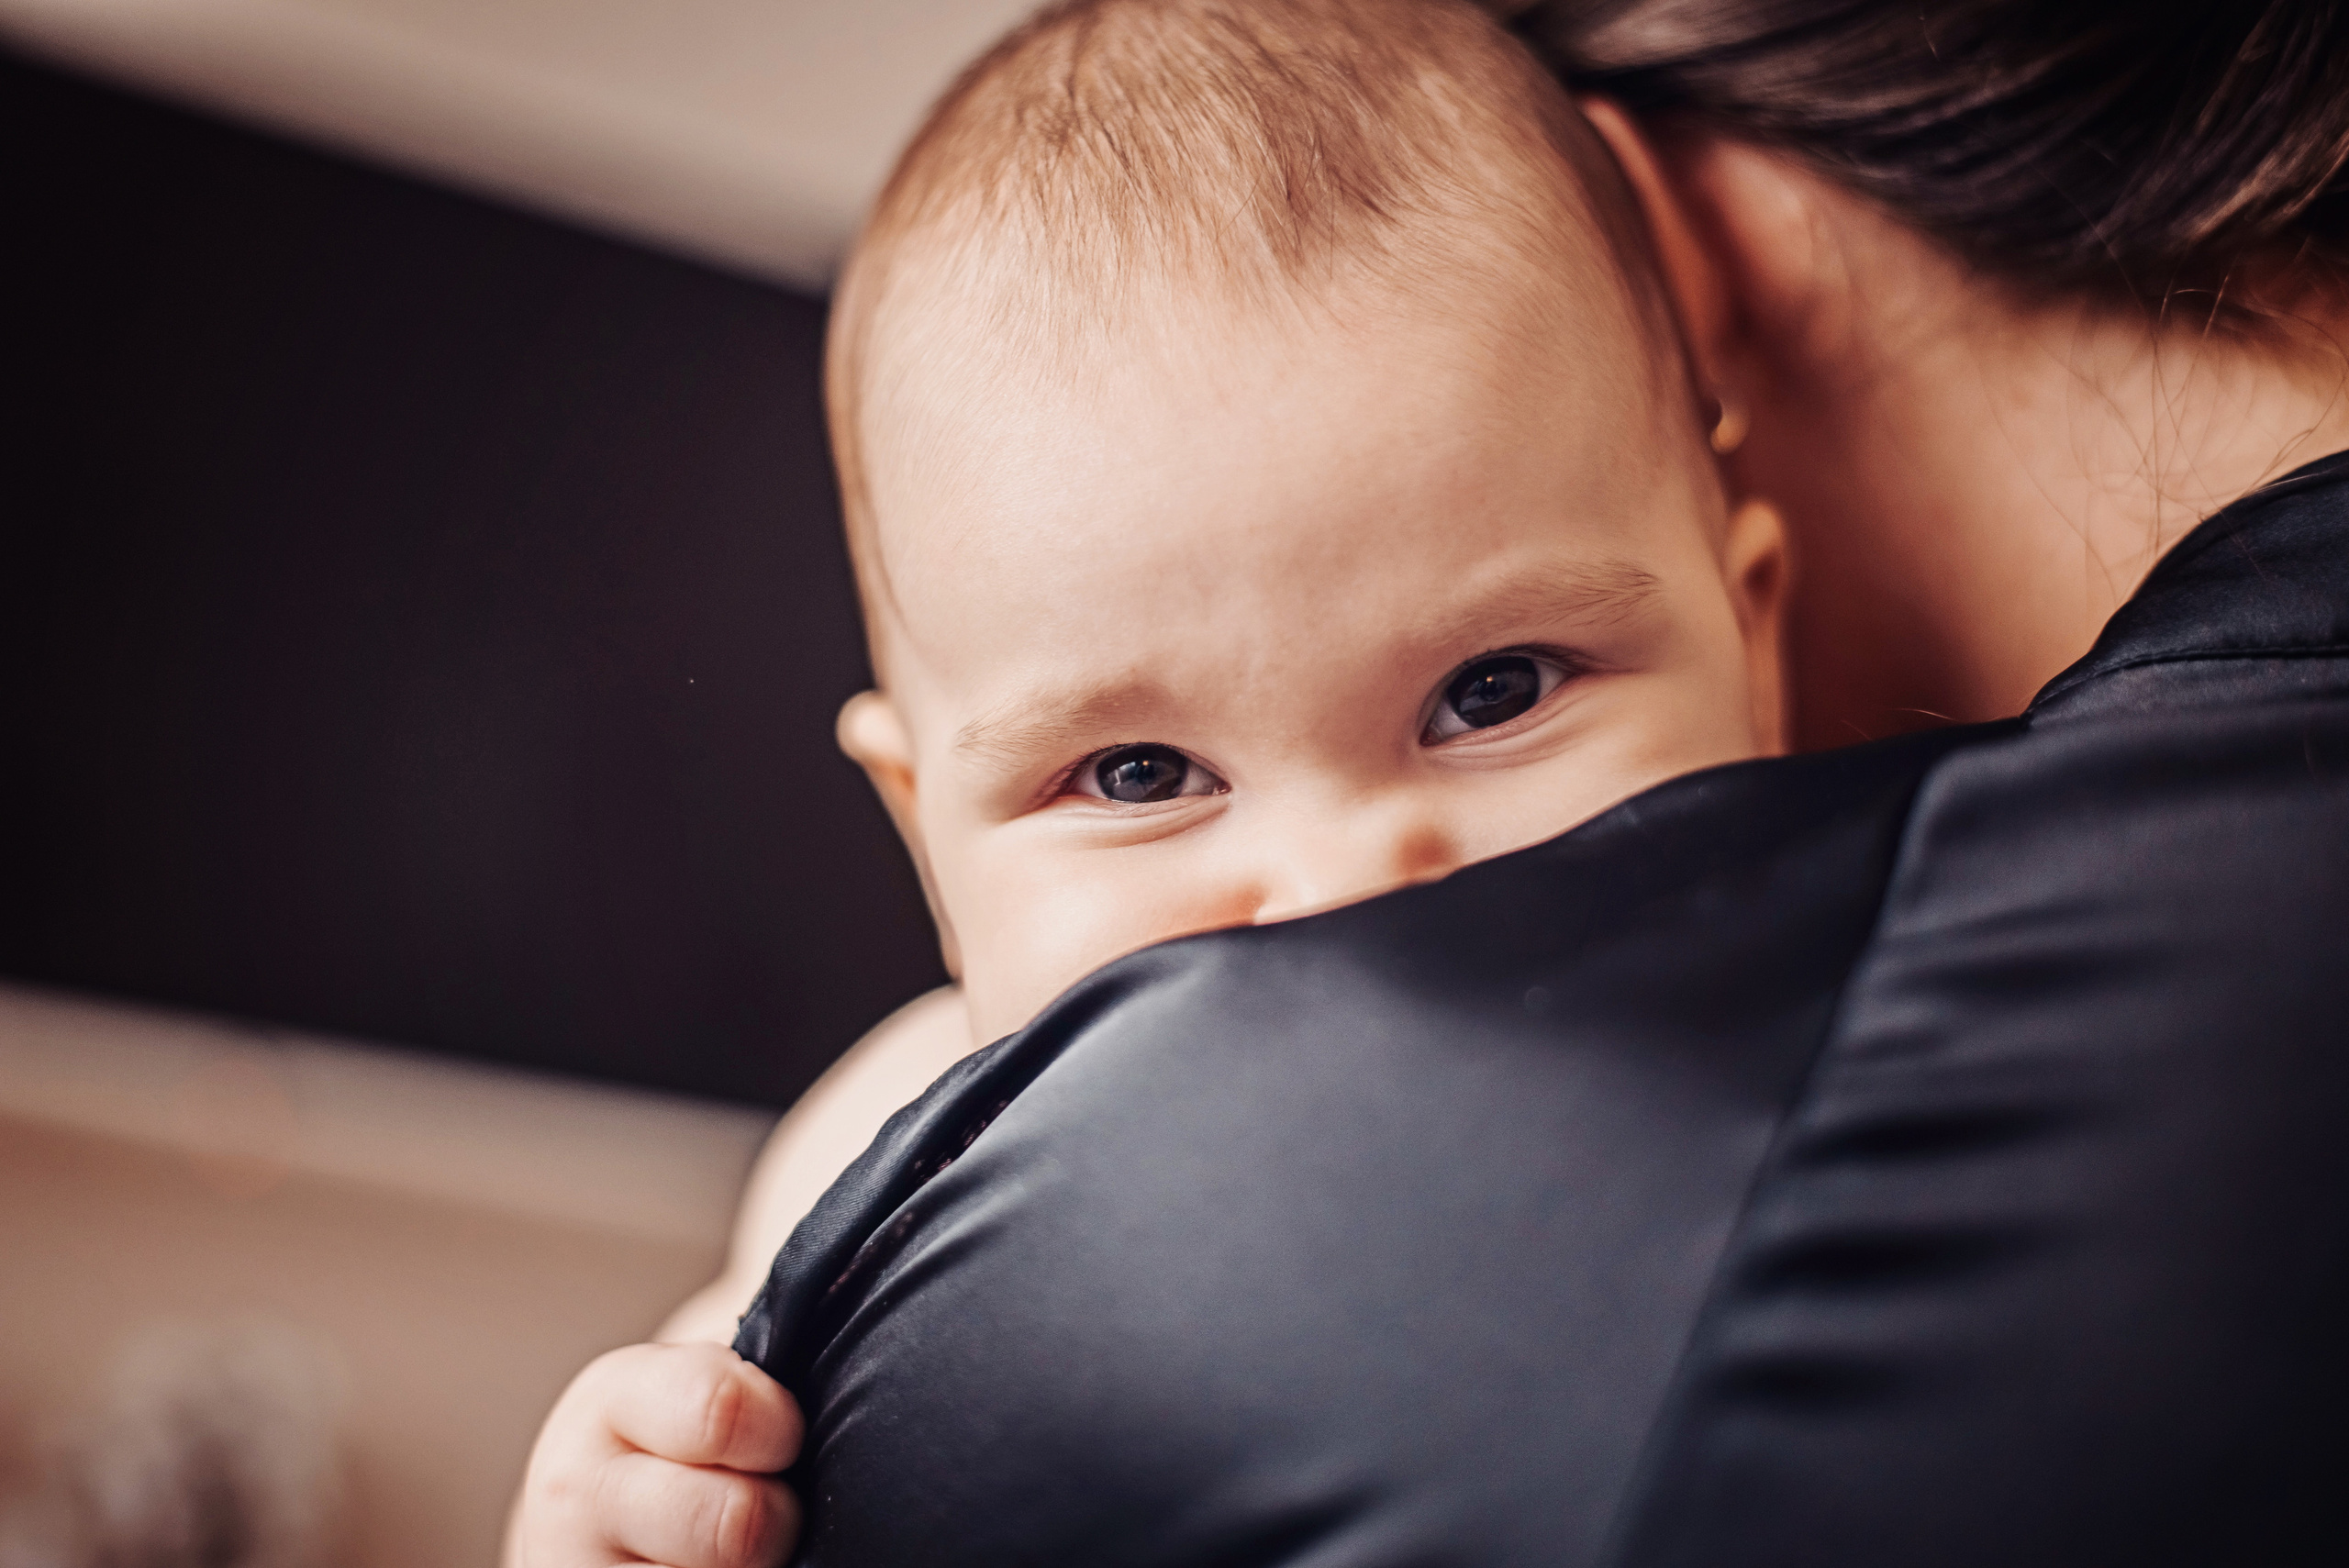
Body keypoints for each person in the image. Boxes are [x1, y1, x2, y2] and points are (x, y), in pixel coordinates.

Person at [506, 0, 2349, 1562]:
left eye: (1491, 691)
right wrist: (636, 1488)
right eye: (1136, 772)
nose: (1344, 884)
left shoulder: (1922, 957)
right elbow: (705, 1433)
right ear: (925, 832)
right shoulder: (893, 1134)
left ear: (1747, 620)